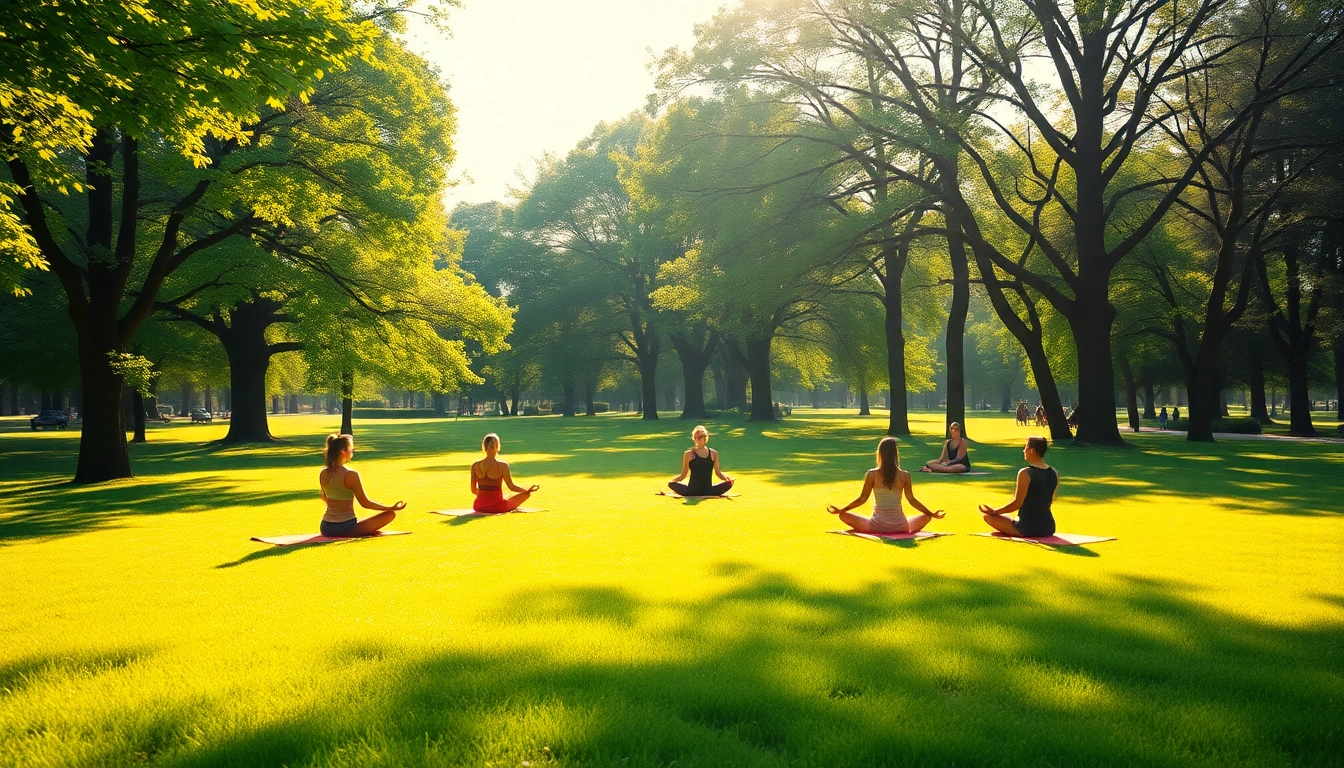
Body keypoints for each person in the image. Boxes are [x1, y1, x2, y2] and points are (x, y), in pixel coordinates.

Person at [828, 436, 945, 533]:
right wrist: (931, 514)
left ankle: (886, 523)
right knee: (926, 516)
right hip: (902, 527)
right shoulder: (905, 475)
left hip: (877, 526)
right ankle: (900, 522)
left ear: (880, 454)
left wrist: (841, 510)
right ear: (895, 454)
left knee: (843, 515)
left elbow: (862, 499)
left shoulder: (872, 474)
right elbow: (912, 500)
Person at [319, 433, 405, 537]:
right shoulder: (351, 475)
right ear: (343, 451)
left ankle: (359, 528)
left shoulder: (323, 473)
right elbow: (365, 503)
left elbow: (325, 497)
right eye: (351, 450)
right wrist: (391, 508)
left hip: (325, 527)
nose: (352, 452)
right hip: (346, 527)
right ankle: (359, 530)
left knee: (367, 521)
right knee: (390, 515)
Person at [979, 436, 1059, 537]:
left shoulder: (1025, 473)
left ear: (1032, 450)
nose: (1024, 450)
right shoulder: (1054, 473)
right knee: (1007, 518)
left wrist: (995, 511)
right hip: (1049, 527)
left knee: (989, 517)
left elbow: (1017, 503)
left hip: (1028, 527)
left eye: (1026, 447)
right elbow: (1052, 499)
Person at [471, 433, 539, 512]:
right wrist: (527, 491)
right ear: (497, 446)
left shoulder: (475, 466)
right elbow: (511, 487)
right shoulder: (503, 466)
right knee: (525, 495)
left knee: (508, 497)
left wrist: (485, 496)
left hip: (478, 506)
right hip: (498, 506)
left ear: (484, 447)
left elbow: (473, 490)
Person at [668, 425, 734, 497]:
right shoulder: (713, 453)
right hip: (708, 491)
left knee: (670, 484)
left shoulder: (688, 454)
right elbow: (719, 473)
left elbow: (682, 476)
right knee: (728, 484)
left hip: (692, 491)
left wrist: (673, 480)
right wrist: (728, 480)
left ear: (694, 438)